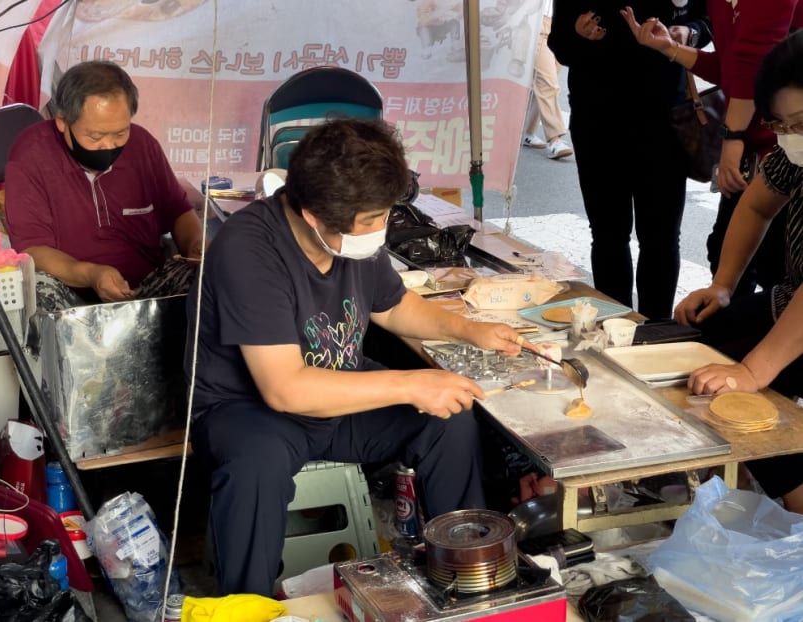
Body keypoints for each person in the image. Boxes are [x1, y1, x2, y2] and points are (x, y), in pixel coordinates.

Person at [184, 118, 523, 597]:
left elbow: (394, 306)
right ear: (313, 216)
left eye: (384, 215)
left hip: (339, 394)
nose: (380, 229)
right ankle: (248, 603)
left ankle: (465, 574)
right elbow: (284, 389)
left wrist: (471, 330)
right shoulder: (248, 249)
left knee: (448, 416)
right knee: (255, 467)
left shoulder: (353, 234)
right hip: (249, 410)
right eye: (371, 220)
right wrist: (410, 383)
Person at [674, 31, 803, 512]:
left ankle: (795, 508)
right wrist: (723, 285)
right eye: (782, 125)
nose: (792, 135)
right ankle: (723, 477)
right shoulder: (794, 153)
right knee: (698, 340)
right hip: (791, 301)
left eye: (800, 122)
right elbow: (755, 206)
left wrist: (751, 371)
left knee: (748, 400)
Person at [621, 1, 803, 300]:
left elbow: (752, 62)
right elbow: (730, 68)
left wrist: (733, 137)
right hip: (759, 145)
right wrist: (670, 48)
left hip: (778, 140)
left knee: (778, 262)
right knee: (726, 250)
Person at [548, 1, 711, 320]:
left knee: (661, 237)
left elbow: (706, 21)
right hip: (597, 121)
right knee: (608, 233)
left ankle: (657, 327)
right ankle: (615, 327)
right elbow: (560, 44)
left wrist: (688, 32)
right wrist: (578, 34)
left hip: (666, 120)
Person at [5, 60, 204, 312]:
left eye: (120, 133)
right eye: (96, 136)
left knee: (210, 277)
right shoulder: (31, 155)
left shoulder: (142, 145)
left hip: (148, 289)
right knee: (39, 288)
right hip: (72, 295)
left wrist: (195, 244)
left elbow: (178, 211)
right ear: (63, 121)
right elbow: (32, 249)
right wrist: (91, 274)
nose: (109, 146)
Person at [521, 0, 574, 160]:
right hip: (535, 23)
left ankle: (527, 132)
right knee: (548, 83)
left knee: (541, 83)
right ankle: (554, 139)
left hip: (560, 26)